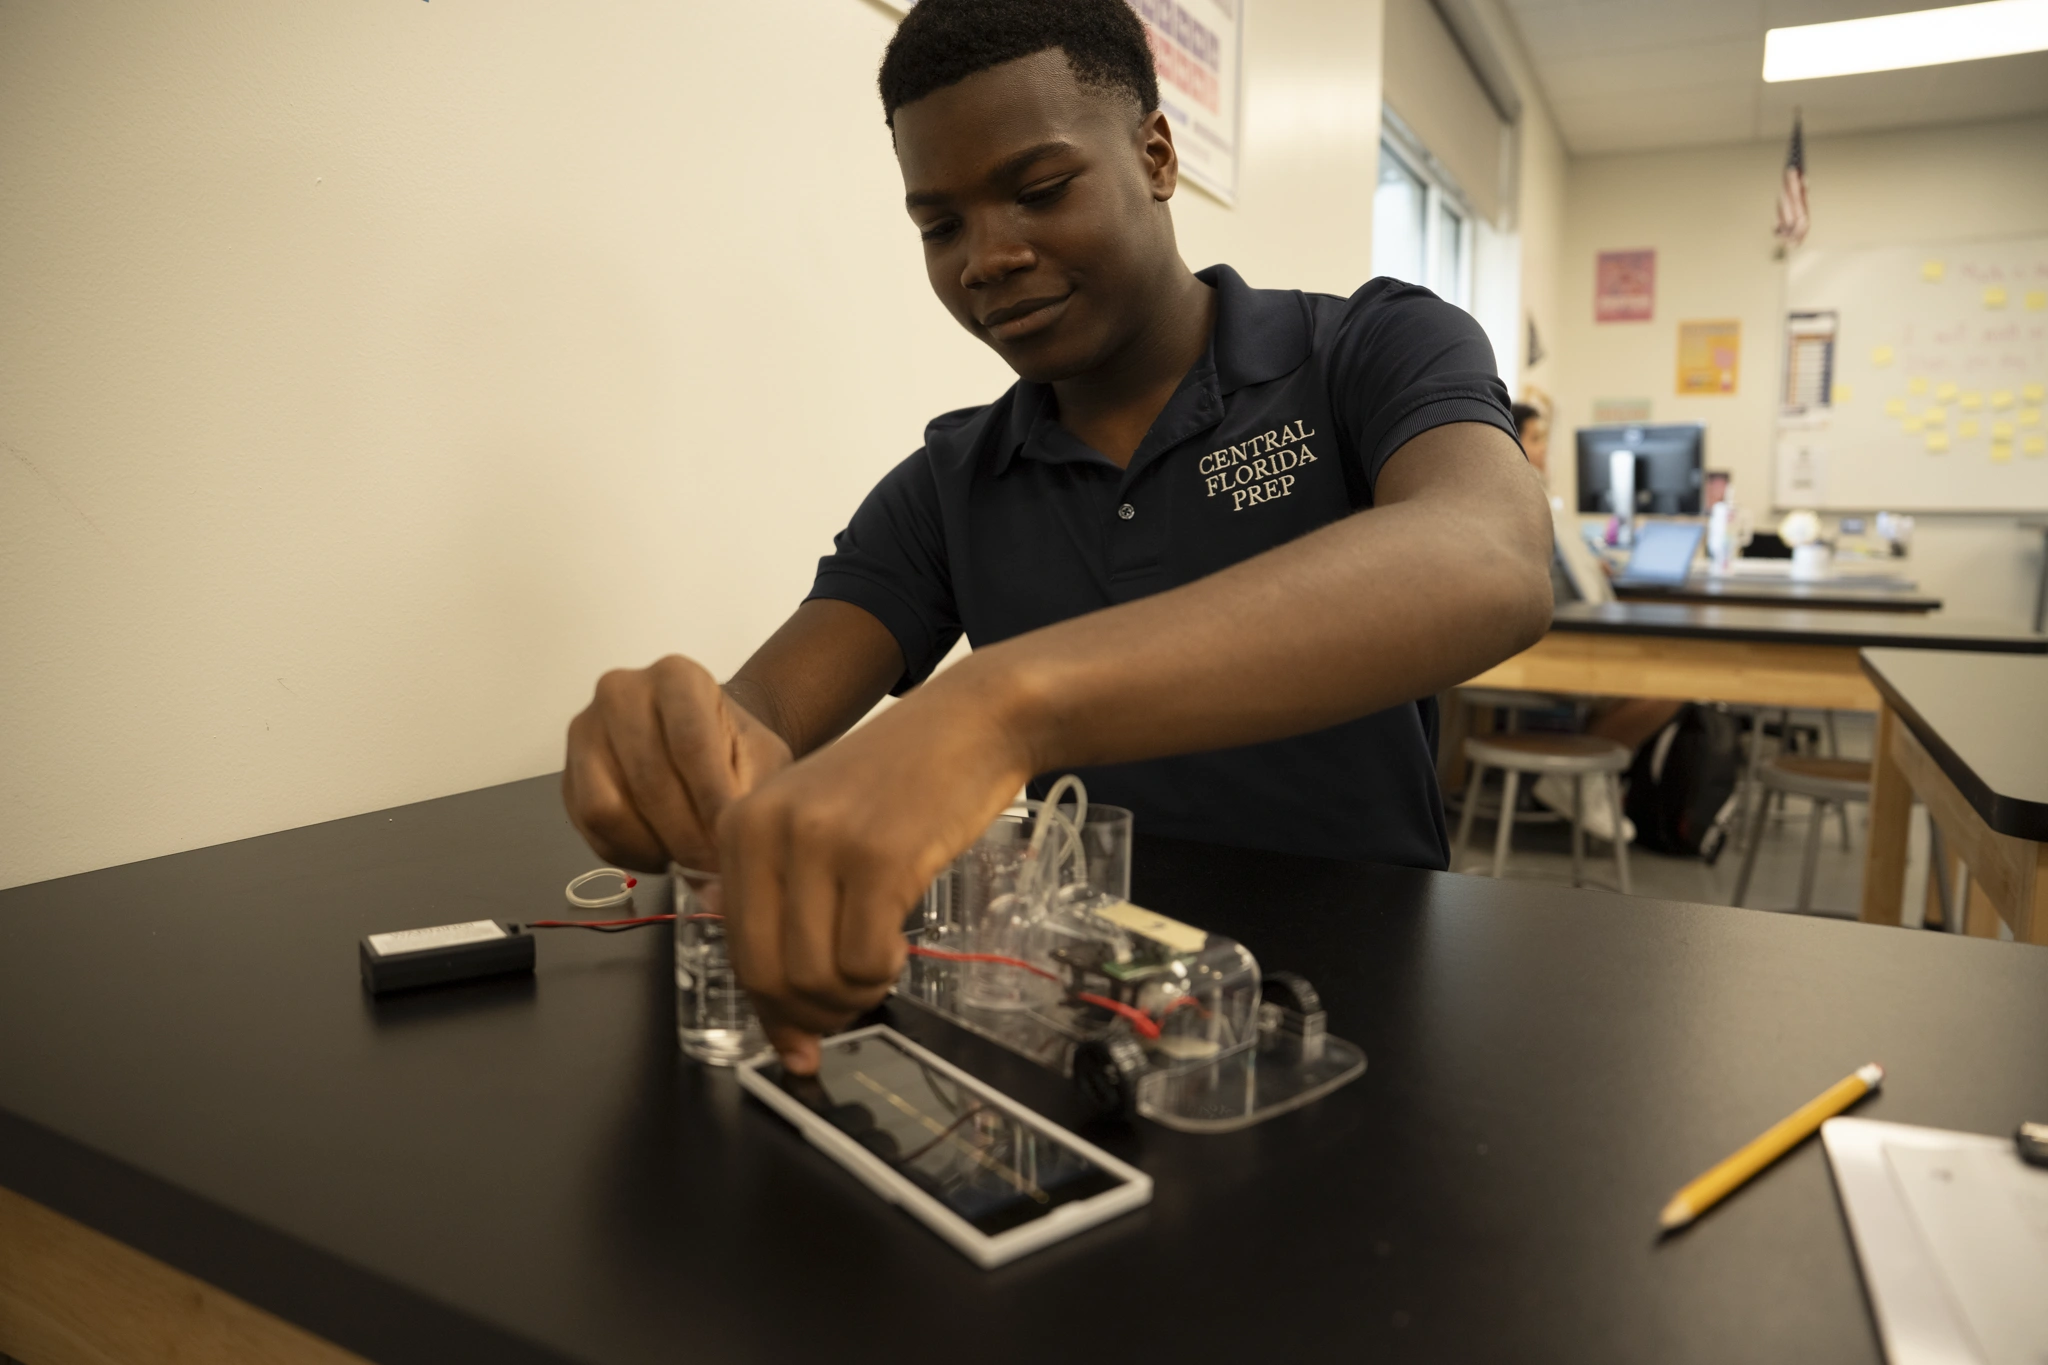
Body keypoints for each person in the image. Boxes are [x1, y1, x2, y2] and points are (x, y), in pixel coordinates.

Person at [562, 0, 1553, 1073]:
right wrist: (681, 753)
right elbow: (762, 718)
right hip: (1089, 1034)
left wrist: (1003, 707)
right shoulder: (952, 482)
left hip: (1363, 1026)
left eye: (1038, 191)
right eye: (938, 227)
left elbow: (1486, 556)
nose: (984, 258)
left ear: (1155, 154)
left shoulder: (1366, 350)